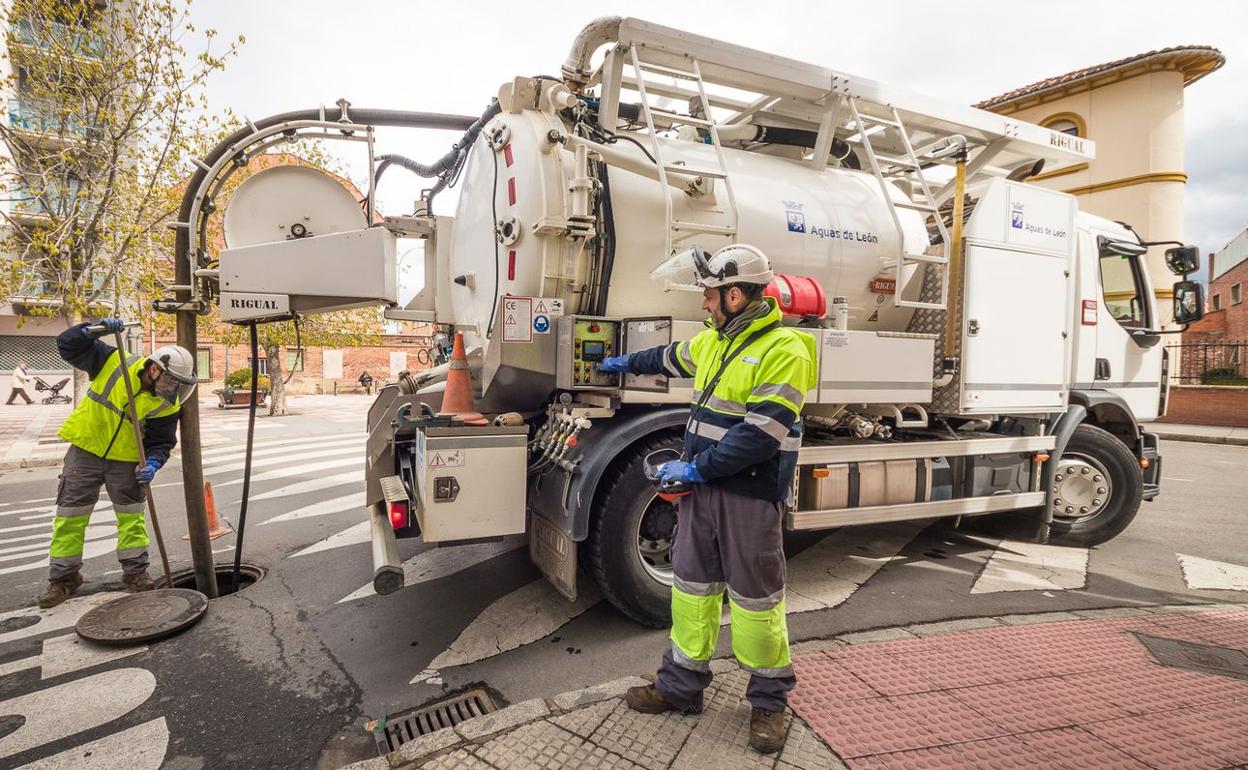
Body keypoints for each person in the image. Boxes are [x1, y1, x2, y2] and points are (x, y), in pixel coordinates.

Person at [597, 244, 816, 754]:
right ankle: (680, 688)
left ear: (735, 294)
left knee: (756, 602)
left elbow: (760, 434)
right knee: (691, 589)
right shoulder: (714, 341)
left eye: (710, 296)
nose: (705, 305)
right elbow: (669, 358)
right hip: (703, 492)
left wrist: (695, 466)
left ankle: (768, 703)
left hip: (748, 495)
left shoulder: (786, 349)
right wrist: (624, 362)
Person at [38, 318, 197, 608]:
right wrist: (92, 330)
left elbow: (162, 442)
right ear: (154, 368)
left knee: (131, 518)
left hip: (126, 461)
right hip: (85, 450)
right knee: (70, 516)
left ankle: (136, 574)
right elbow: (68, 345)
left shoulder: (168, 403)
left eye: (179, 383)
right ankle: (63, 579)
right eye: (170, 380)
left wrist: (153, 462)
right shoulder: (113, 360)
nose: (173, 387)